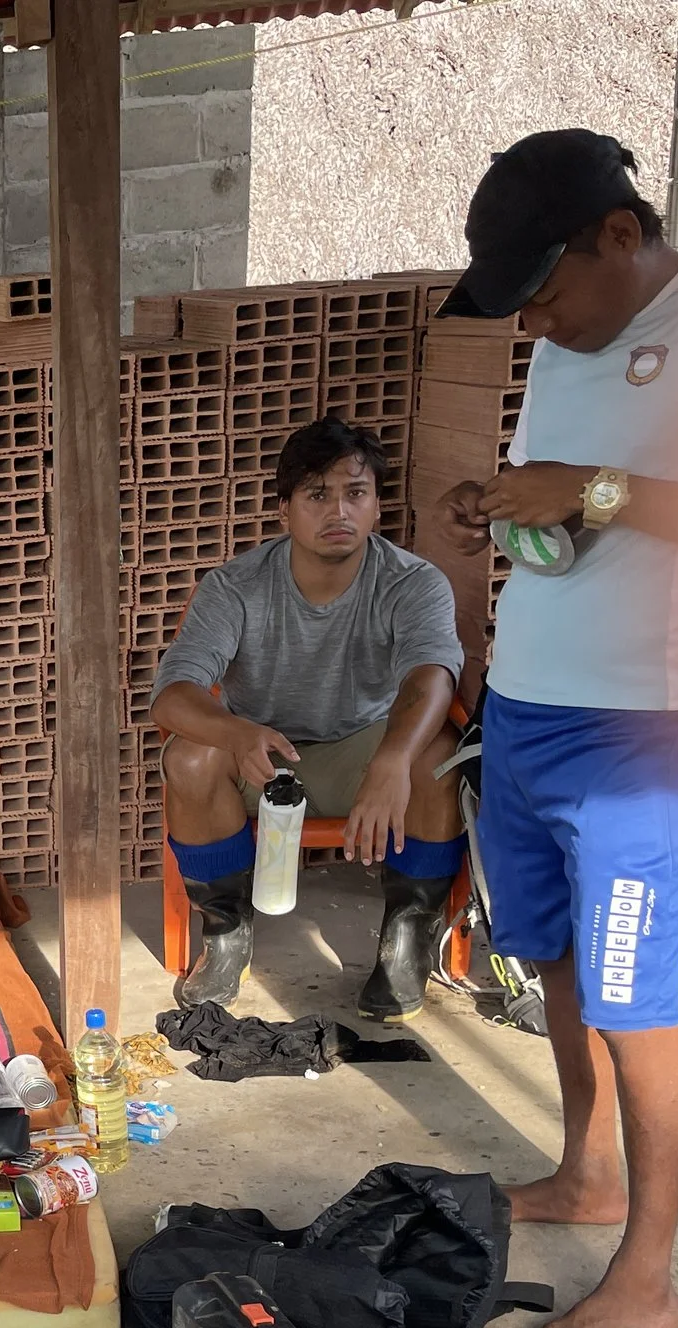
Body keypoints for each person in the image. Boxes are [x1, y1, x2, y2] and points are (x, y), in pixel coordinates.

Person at [436, 129, 678, 1328]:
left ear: (620, 237)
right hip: (528, 700)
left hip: (637, 726)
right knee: (552, 961)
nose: (531, 322)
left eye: (541, 291)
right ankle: (585, 1172)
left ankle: (647, 1276)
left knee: (636, 1002)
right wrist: (509, 506)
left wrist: (594, 492)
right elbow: (575, 503)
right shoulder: (569, 339)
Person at [152, 416, 468, 1016]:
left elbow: (432, 675)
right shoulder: (236, 585)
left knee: (438, 754)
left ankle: (408, 937)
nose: (338, 511)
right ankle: (225, 933)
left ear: (377, 506)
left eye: (356, 493)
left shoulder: (413, 582)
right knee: (190, 756)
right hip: (261, 755)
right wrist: (235, 731)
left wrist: (393, 759)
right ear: (285, 510)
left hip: (366, 750)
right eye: (317, 495)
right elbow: (173, 693)